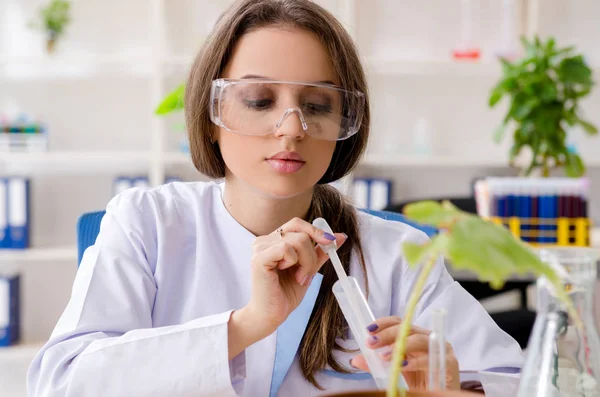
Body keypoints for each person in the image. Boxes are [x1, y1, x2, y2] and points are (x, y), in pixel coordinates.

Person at [27, 1, 523, 396]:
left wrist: (459, 388)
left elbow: (522, 381)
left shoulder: (395, 253)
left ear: (344, 127)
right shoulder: (147, 222)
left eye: (316, 105)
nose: (291, 129)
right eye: (259, 101)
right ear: (210, 118)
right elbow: (61, 383)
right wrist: (246, 326)